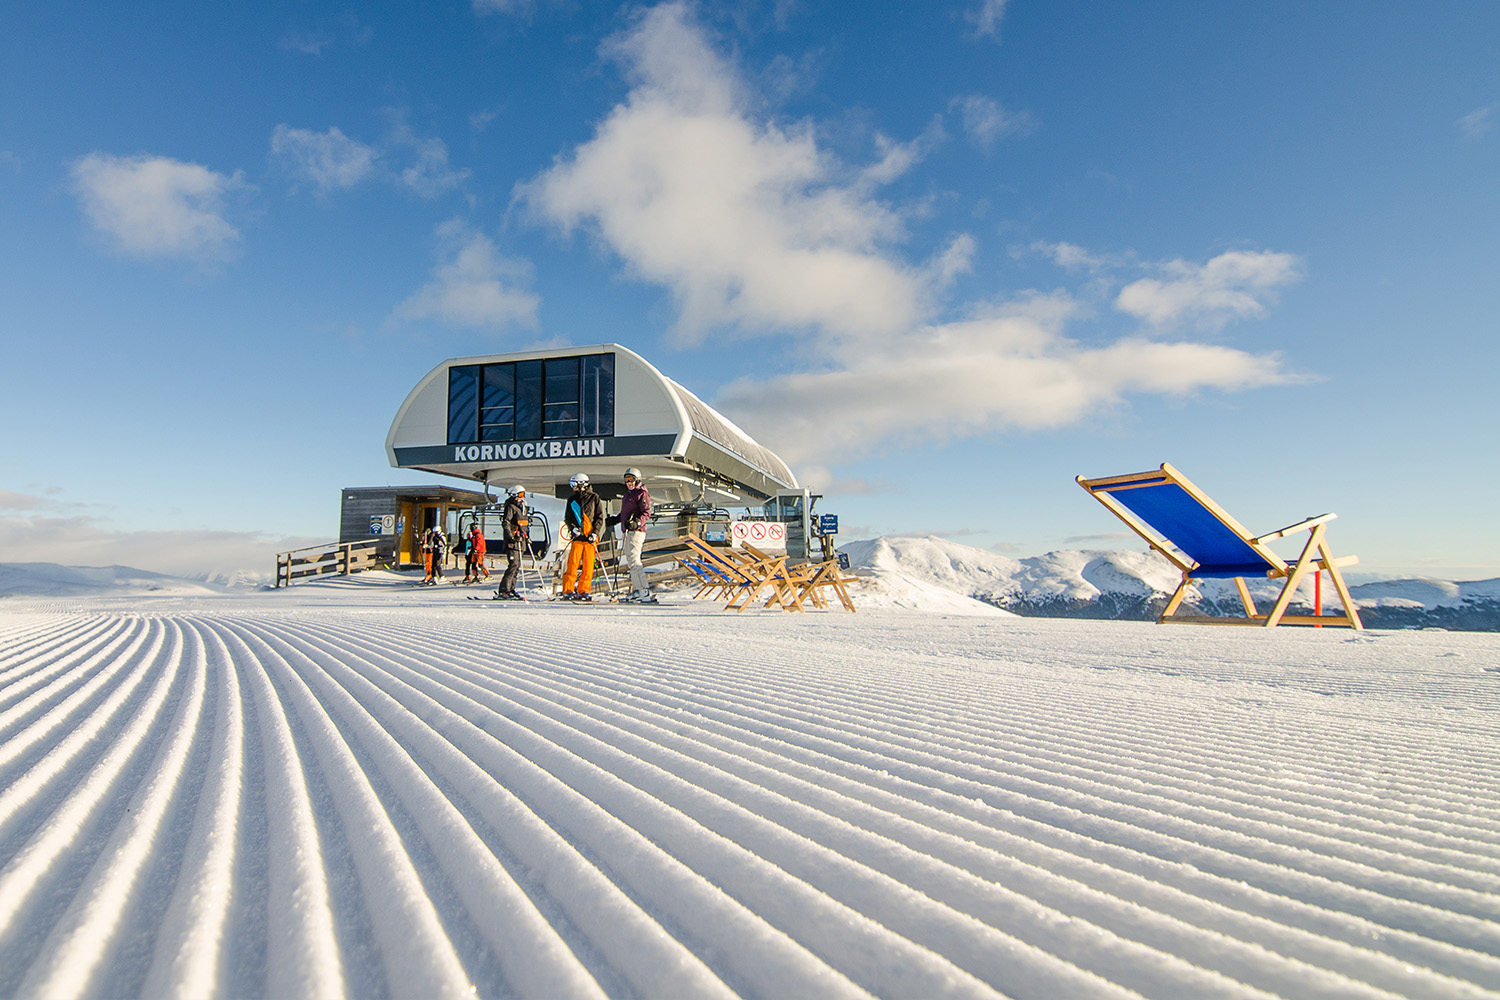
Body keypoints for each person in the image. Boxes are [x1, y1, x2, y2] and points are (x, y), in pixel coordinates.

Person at [607, 467, 655, 602]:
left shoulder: (641, 493)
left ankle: (644, 591)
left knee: (634, 560)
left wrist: (637, 523)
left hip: (636, 532)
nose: (629, 482)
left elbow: (646, 513)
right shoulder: (628, 495)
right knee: (630, 562)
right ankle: (638, 590)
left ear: (637, 480)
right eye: (627, 479)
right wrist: (616, 519)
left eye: (631, 479)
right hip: (628, 531)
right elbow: (625, 514)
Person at [560, 472, 603, 601]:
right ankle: (568, 590)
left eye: (574, 484)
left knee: (588, 566)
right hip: (577, 538)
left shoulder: (594, 498)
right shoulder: (572, 500)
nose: (572, 487)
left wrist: (595, 532)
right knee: (572, 564)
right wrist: (573, 529)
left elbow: (599, 518)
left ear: (582, 484)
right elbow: (568, 518)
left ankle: (584, 590)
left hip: (590, 538)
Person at [495, 485, 528, 599]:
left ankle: (511, 589)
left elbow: (524, 524)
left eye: (523, 495)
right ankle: (504, 590)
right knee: (513, 565)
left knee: (517, 566)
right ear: (514, 495)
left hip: (521, 541)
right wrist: (512, 537)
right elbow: (506, 523)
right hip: (513, 542)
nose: (522, 497)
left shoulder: (522, 507)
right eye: (520, 495)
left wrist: (526, 537)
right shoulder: (511, 506)